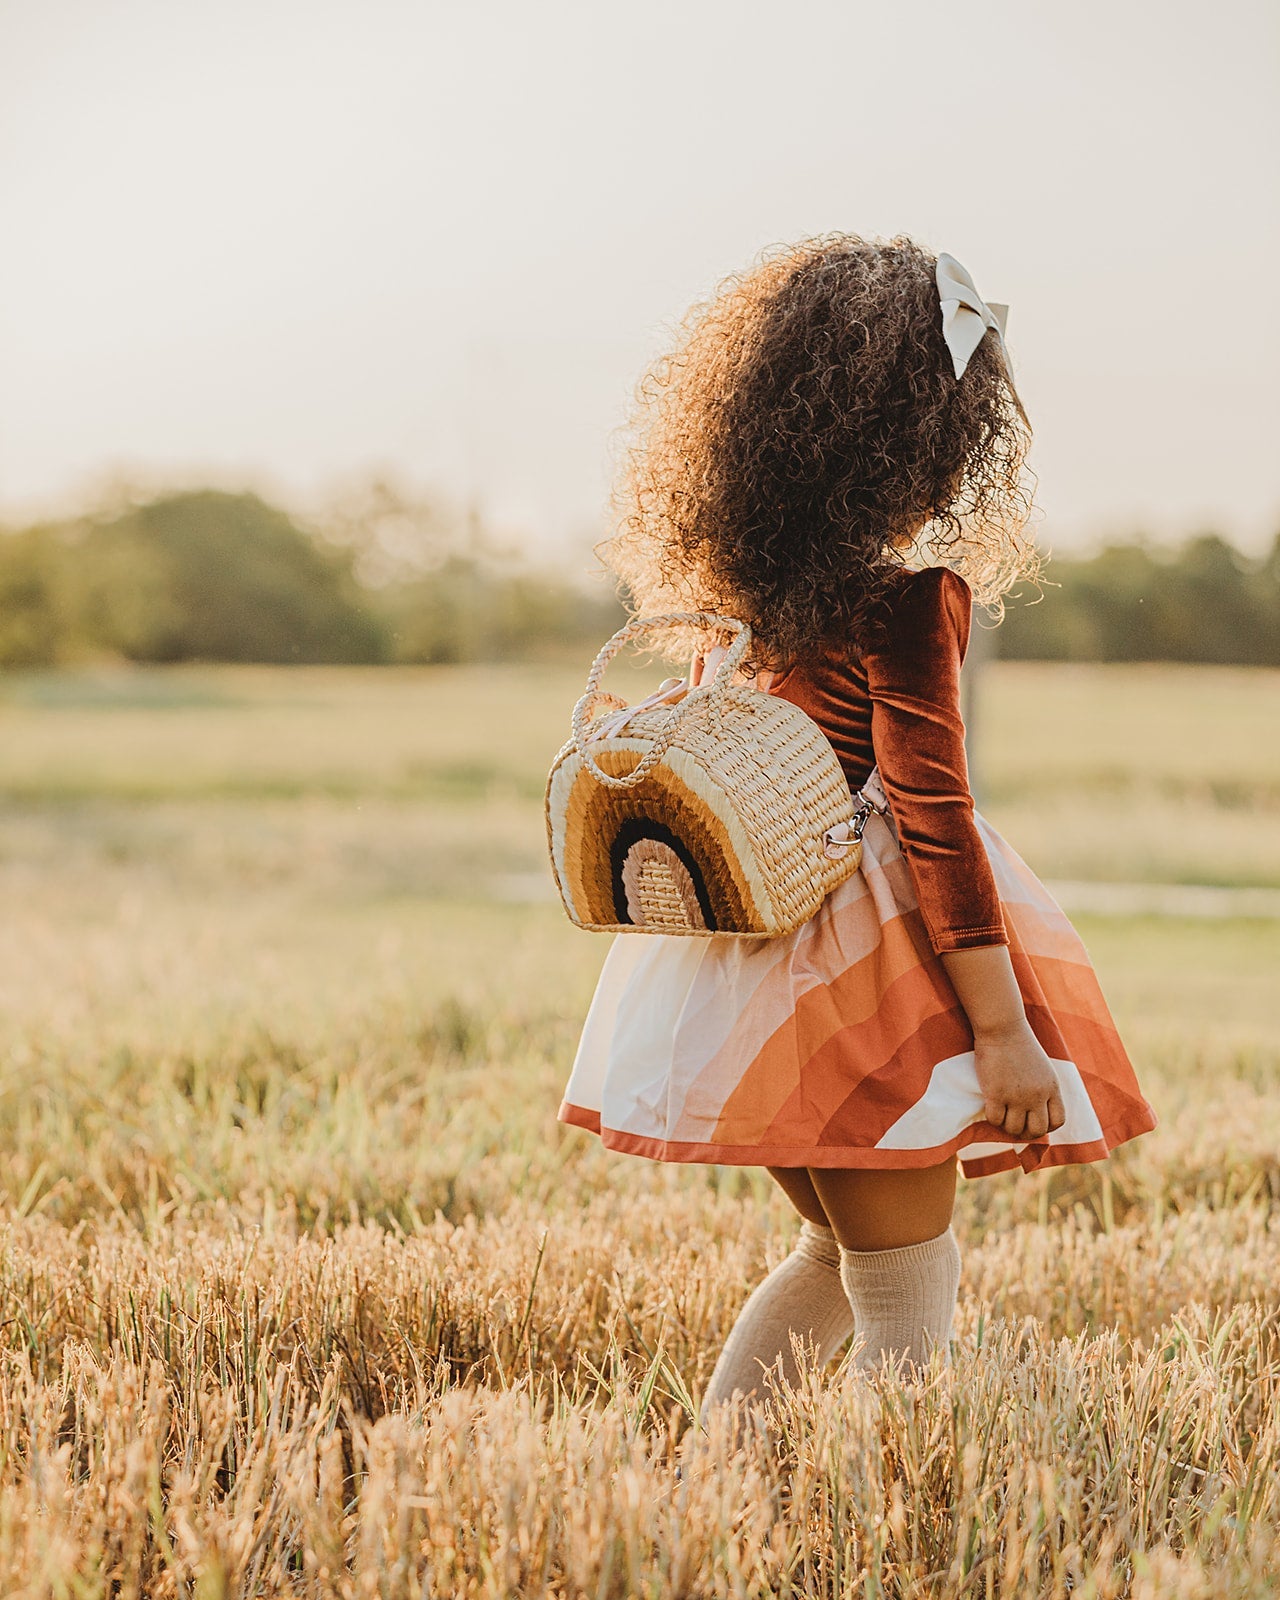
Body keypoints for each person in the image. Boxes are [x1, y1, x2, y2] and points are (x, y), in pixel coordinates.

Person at [557, 235, 1157, 1410]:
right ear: (928, 442)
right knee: (903, 1293)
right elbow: (934, 819)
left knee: (834, 1257)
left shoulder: (737, 595)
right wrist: (1000, 1034)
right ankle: (873, 1528)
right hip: (864, 979)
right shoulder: (902, 599)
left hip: (742, 988)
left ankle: (705, 1494)